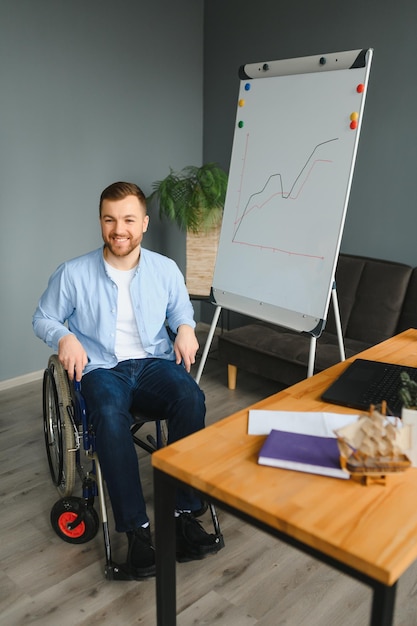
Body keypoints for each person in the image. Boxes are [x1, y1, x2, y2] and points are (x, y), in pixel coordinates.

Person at [33, 181, 223, 579]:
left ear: (144, 224)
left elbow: (180, 311)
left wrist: (186, 328)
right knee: (106, 411)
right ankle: (136, 530)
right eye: (110, 219)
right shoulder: (73, 273)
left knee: (191, 398)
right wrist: (64, 336)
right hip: (102, 369)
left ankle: (184, 514)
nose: (119, 229)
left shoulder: (164, 269)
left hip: (153, 363)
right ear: (101, 222)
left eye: (128, 220)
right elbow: (43, 318)